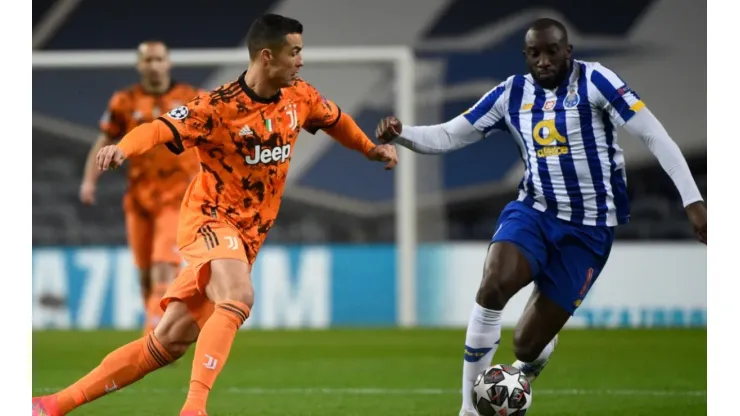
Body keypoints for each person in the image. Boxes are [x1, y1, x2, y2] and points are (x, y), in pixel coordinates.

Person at [34, 14, 397, 416]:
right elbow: (159, 128)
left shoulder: (301, 98)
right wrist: (123, 147)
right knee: (238, 296)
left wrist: (369, 149)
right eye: (294, 52)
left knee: (168, 341)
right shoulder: (216, 108)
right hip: (209, 219)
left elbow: (336, 120)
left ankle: (51, 405)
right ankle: (194, 409)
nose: (301, 61)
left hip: (249, 235)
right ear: (266, 55)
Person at [375, 17, 707, 416]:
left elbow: (654, 135)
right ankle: (468, 410)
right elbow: (450, 134)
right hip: (533, 211)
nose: (544, 60)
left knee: (526, 345)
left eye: (553, 51)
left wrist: (693, 200)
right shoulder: (511, 94)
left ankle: (530, 361)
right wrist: (401, 133)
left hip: (589, 231)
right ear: (526, 55)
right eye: (535, 53)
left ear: (568, 51)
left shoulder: (597, 81)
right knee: (493, 286)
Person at [79, 40, 201, 335]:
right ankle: (160, 330)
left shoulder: (191, 98)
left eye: (159, 59)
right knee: (145, 275)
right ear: (140, 65)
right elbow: (104, 140)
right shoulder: (124, 101)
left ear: (168, 62)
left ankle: (155, 338)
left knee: (164, 266)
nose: (154, 65)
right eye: (148, 60)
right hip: (139, 198)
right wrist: (89, 180)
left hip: (177, 195)